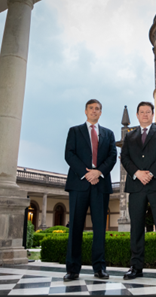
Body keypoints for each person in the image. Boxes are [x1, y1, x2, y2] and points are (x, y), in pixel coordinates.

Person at [121, 101, 156, 281]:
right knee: (136, 227)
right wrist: (137, 173)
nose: (145, 115)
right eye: (142, 112)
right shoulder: (129, 137)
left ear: (153, 114)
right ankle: (136, 267)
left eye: (148, 112)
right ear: (137, 115)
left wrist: (150, 173)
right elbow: (125, 158)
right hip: (136, 185)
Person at [63, 99, 117, 281]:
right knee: (75, 227)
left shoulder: (109, 134)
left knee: (100, 228)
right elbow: (69, 154)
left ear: (101, 113)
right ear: (85, 111)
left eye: (98, 109)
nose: (94, 111)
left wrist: (98, 172)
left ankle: (99, 268)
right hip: (79, 184)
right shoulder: (74, 131)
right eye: (91, 108)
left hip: (100, 185)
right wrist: (86, 174)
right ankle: (72, 269)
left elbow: (112, 156)